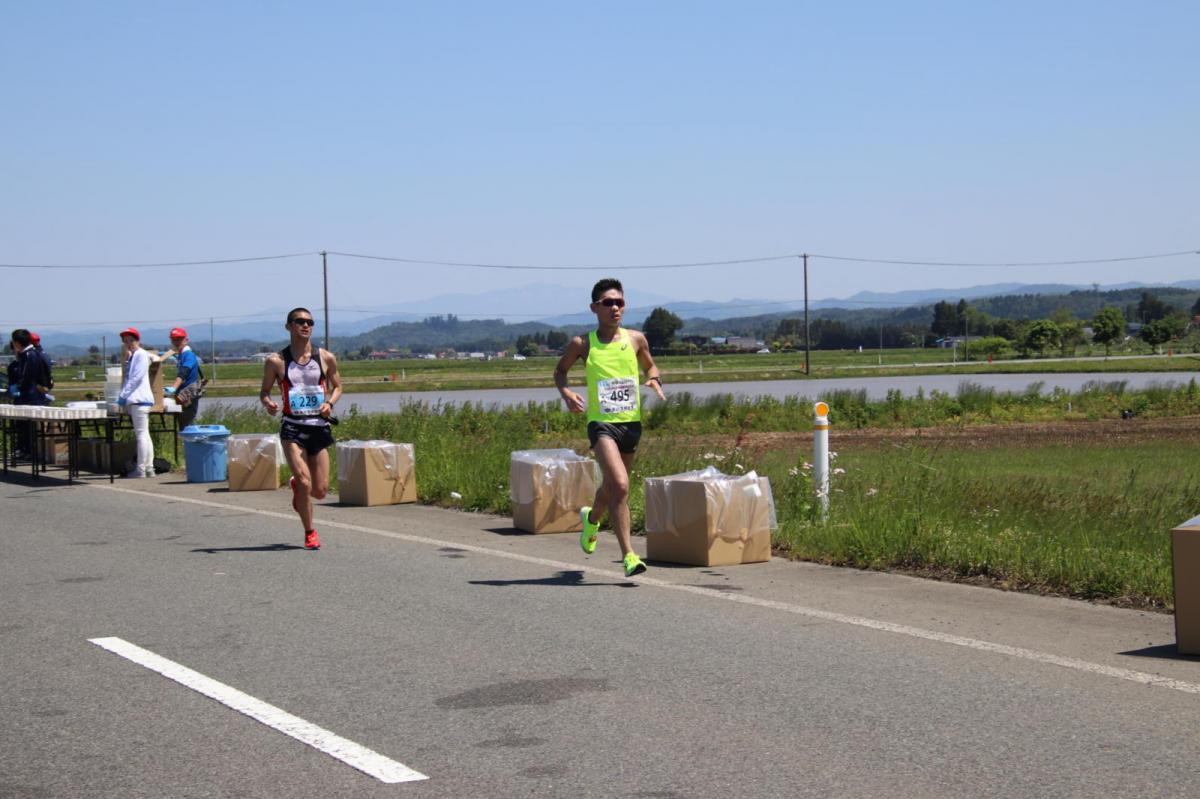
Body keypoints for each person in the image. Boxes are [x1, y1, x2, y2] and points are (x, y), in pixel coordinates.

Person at [554, 278, 667, 577]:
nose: (615, 308)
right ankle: (629, 555)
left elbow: (650, 366)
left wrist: (654, 378)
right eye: (608, 303)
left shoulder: (635, 339)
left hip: (631, 423)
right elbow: (560, 371)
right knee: (620, 486)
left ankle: (592, 518)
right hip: (602, 424)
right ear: (595, 308)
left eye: (619, 302)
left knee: (613, 488)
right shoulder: (583, 343)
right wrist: (566, 393)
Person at [259, 308, 342, 550]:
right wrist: (268, 403)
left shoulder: (326, 357)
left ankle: (299, 490)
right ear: (289, 326)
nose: (305, 326)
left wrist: (329, 403)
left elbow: (338, 386)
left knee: (320, 491)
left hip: (319, 426)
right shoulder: (276, 361)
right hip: (292, 428)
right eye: (300, 322)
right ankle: (310, 532)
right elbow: (264, 391)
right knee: (305, 482)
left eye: (309, 322)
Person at [116, 326, 156, 478]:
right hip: (141, 400)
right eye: (126, 341)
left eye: (131, 340)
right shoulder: (136, 355)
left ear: (138, 341)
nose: (128, 344)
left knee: (141, 435)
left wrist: (123, 395)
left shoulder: (140, 354)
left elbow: (135, 378)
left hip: (139, 400)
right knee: (145, 435)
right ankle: (149, 468)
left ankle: (140, 469)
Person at [9, 329, 52, 458]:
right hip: (28, 394)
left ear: (17, 342)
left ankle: (27, 450)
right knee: (23, 425)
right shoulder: (29, 354)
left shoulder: (30, 355)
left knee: (27, 426)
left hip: (30, 395)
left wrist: (18, 388)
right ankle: (24, 449)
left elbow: (27, 376)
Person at [165, 327, 203, 429]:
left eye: (179, 339)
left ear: (186, 340)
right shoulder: (181, 354)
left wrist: (173, 387)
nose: (176, 342)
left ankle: (191, 443)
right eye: (174, 340)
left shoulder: (188, 355)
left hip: (188, 393)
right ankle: (187, 443)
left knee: (187, 423)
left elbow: (184, 372)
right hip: (182, 393)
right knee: (183, 422)